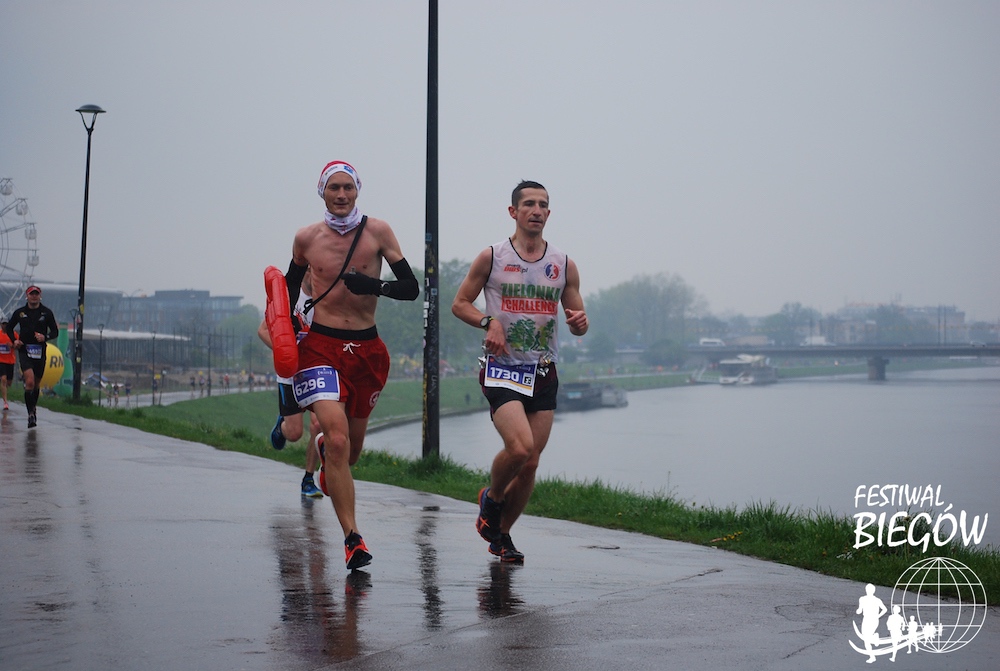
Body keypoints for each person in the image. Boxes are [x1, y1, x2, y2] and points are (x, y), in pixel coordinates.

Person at [284, 160, 418, 569]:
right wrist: (286, 324)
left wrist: (373, 285)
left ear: (358, 191)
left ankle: (327, 456)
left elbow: (411, 288)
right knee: (338, 439)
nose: (341, 195)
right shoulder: (306, 238)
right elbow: (288, 286)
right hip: (321, 348)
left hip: (367, 350)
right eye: (334, 188)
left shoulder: (378, 232)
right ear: (321, 192)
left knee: (351, 452)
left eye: (348, 188)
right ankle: (353, 538)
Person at [452, 180, 588, 563]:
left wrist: (580, 323)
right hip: (502, 367)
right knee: (520, 447)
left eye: (543, 205)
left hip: (543, 370)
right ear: (513, 211)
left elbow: (578, 320)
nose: (536, 210)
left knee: (530, 464)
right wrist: (488, 321)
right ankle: (492, 497)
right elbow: (460, 304)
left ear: (549, 213)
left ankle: (501, 535)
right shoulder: (492, 257)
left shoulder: (563, 264)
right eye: (528, 204)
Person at [258, 267, 323, 498]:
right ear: (305, 271)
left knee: (317, 425)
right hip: (290, 374)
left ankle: (308, 479)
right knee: (295, 433)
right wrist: (286, 352)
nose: (316, 275)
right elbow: (263, 331)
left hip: (315, 371)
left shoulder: (326, 299)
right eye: (311, 269)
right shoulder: (290, 296)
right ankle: (282, 425)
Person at [5, 285, 59, 428]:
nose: (34, 296)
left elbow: (55, 332)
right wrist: (14, 340)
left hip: (40, 351)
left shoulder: (46, 313)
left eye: (36, 294)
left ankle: (33, 408)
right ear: (27, 296)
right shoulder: (20, 312)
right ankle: (30, 415)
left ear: (40, 296)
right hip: (25, 351)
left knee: (36, 384)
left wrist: (45, 337)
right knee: (29, 382)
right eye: (31, 294)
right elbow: (9, 328)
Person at [0, 318, 16, 411]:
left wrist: (12, 345)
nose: (5, 326)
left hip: (10, 361)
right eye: (3, 324)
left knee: (8, 382)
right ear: (0, 324)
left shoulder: (13, 334)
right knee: (3, 379)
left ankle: (4, 390)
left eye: (6, 324)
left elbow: (19, 345)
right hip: (1, 361)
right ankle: (5, 402)